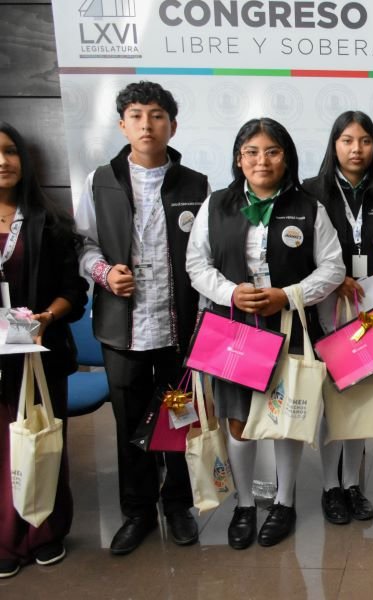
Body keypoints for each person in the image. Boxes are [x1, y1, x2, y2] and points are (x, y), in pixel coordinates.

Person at [185, 117, 344, 550]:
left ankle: (284, 502)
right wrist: (231, 292)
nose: (262, 160)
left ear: (287, 158)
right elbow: (197, 265)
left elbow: (333, 267)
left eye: (272, 151)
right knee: (238, 422)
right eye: (252, 152)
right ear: (239, 159)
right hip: (234, 328)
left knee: (286, 417)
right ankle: (243, 505)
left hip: (288, 325)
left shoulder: (309, 207)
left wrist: (289, 295)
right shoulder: (216, 204)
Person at [74, 81, 208, 556]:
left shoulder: (195, 184)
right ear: (121, 124)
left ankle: (178, 507)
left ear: (172, 124)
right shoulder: (101, 180)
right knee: (129, 423)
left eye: (156, 115)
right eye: (136, 115)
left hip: (178, 329)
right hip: (121, 328)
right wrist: (104, 273)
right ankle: (137, 512)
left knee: (177, 417)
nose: (146, 124)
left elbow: (204, 255)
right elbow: (83, 246)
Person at [0, 122, 88, 578]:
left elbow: (74, 291)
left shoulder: (48, 223)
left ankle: (45, 533)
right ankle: (5, 538)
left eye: (10, 151)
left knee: (43, 439)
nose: (2, 161)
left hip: (38, 351)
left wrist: (47, 318)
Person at [303, 111, 373, 525]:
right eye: (347, 140)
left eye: (365, 141)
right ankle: (328, 488)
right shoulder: (310, 192)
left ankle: (353, 485)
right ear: (333, 145)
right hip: (326, 306)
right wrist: (331, 279)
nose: (356, 149)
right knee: (330, 401)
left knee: (358, 396)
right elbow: (298, 254)